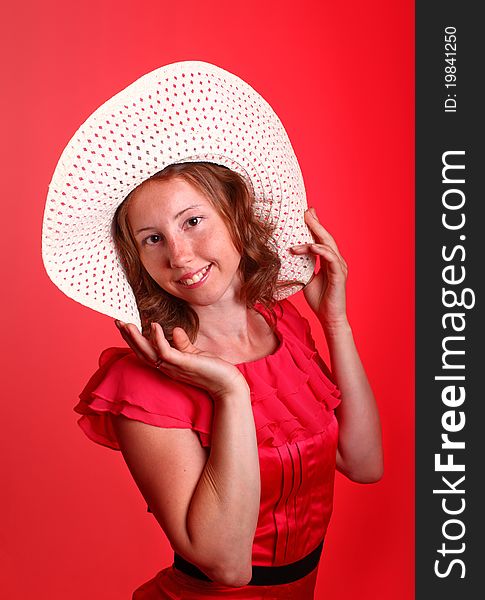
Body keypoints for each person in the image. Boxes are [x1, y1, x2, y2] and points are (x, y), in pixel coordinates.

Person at [42, 61, 383, 599]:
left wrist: (334, 321)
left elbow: (364, 463)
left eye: (192, 221)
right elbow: (227, 565)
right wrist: (230, 392)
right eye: (151, 239)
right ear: (137, 259)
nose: (178, 254)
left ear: (235, 216)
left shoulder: (283, 325)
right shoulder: (143, 380)